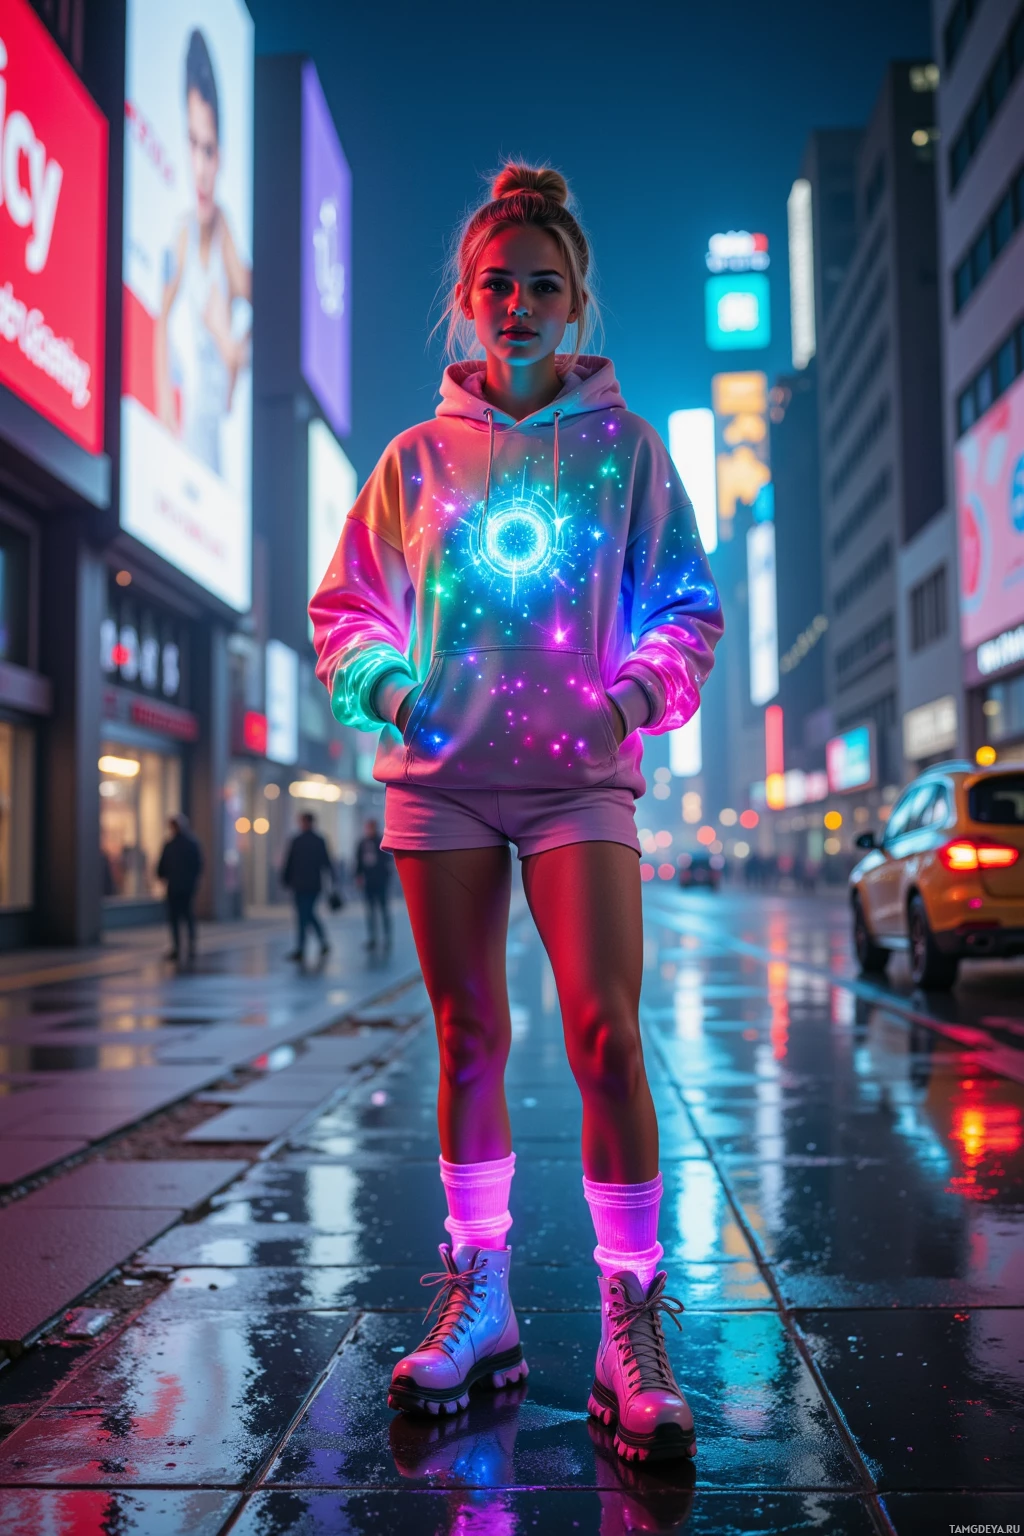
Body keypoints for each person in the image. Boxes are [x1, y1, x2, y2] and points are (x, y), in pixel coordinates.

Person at [310, 163, 722, 1462]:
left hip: (579, 782)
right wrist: (391, 686)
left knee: (605, 1031)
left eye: (545, 285)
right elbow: (346, 611)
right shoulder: (412, 460)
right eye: (499, 285)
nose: (521, 305)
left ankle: (627, 1314)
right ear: (467, 301)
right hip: (442, 787)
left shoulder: (630, 451)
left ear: (577, 301)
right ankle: (479, 1296)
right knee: (468, 1034)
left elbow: (688, 605)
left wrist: (633, 697)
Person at [154, 28, 252, 473]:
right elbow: (159, 326)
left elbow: (266, 323)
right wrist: (166, 426)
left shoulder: (226, 231)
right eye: (191, 145)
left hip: (217, 447)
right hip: (184, 438)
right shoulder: (182, 234)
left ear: (222, 155)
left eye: (208, 150)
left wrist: (229, 348)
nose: (200, 168)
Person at [282, 812, 334, 962]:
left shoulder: (297, 840)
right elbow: (327, 862)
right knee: (307, 915)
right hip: (311, 884)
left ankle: (301, 949)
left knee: (304, 916)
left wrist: (286, 879)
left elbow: (289, 862)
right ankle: (320, 942)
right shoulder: (318, 840)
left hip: (301, 884)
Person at [157, 813, 203, 963]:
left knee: (176, 918)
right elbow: (199, 865)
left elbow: (161, 867)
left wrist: (163, 876)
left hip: (175, 886)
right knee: (187, 916)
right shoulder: (192, 844)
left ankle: (178, 947)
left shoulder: (170, 845)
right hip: (187, 886)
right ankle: (190, 946)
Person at [355, 817, 394, 951]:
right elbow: (358, 862)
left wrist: (386, 878)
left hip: (380, 881)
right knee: (370, 912)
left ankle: (387, 936)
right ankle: (373, 937)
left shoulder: (380, 842)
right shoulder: (362, 843)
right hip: (368, 882)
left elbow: (387, 863)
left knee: (383, 910)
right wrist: (358, 876)